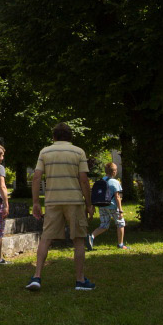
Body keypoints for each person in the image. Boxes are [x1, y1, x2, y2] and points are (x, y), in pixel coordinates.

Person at [26, 123, 94, 291]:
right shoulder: (78, 152)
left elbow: (36, 177)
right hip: (74, 201)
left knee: (46, 238)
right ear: (70, 136)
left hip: (52, 201)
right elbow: (84, 180)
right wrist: (89, 204)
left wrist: (36, 202)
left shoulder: (45, 152)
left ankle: (37, 276)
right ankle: (80, 280)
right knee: (78, 239)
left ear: (54, 137)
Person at [87, 161, 126, 249]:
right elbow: (117, 197)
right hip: (113, 206)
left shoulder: (101, 181)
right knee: (120, 224)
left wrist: (93, 207)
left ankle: (91, 236)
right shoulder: (115, 182)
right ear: (114, 172)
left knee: (104, 225)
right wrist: (120, 210)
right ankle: (120, 244)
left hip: (102, 206)